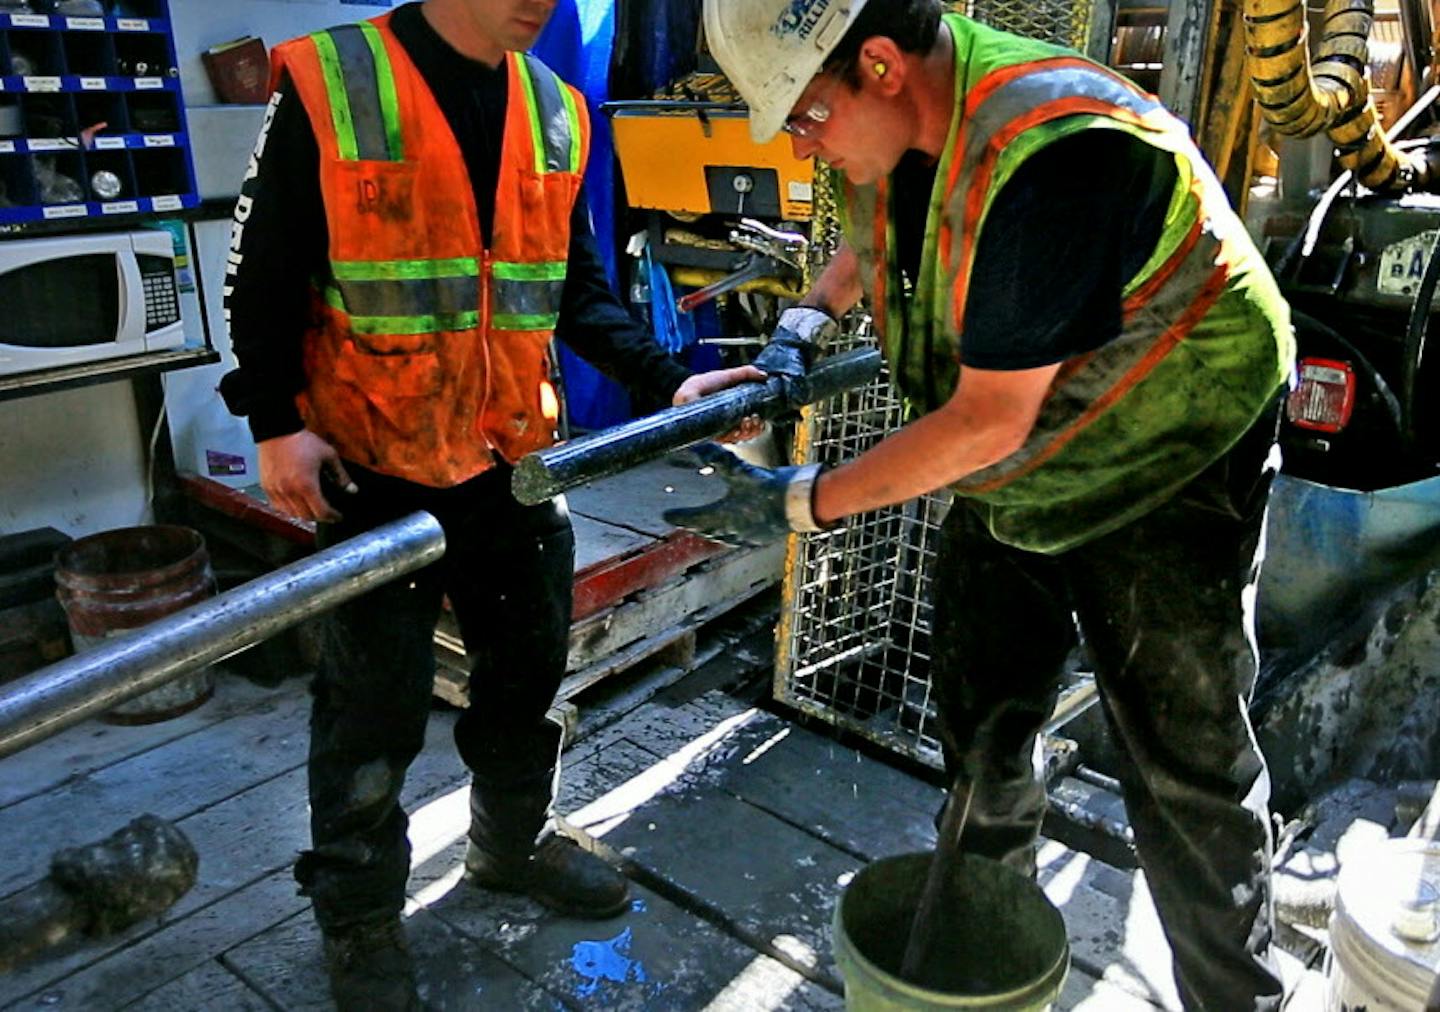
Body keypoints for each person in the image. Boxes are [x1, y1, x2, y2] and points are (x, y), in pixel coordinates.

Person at [668, 1, 1296, 1009]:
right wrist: (794, 334)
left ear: (878, 64)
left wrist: (799, 502)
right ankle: (980, 956)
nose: (799, 140)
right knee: (986, 724)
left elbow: (985, 423)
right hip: (1028, 457)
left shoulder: (1057, 152)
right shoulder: (893, 123)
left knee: (1184, 767)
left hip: (1170, 449)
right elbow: (872, 231)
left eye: (806, 118)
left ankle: (1237, 998)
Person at [218, 1, 756, 1007]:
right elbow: (265, 267)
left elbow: (572, 286)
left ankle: (510, 846)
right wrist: (274, 418)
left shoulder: (555, 107)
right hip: (371, 463)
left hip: (511, 460)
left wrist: (664, 378)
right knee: (370, 708)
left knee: (525, 671)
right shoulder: (338, 81)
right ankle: (362, 914)